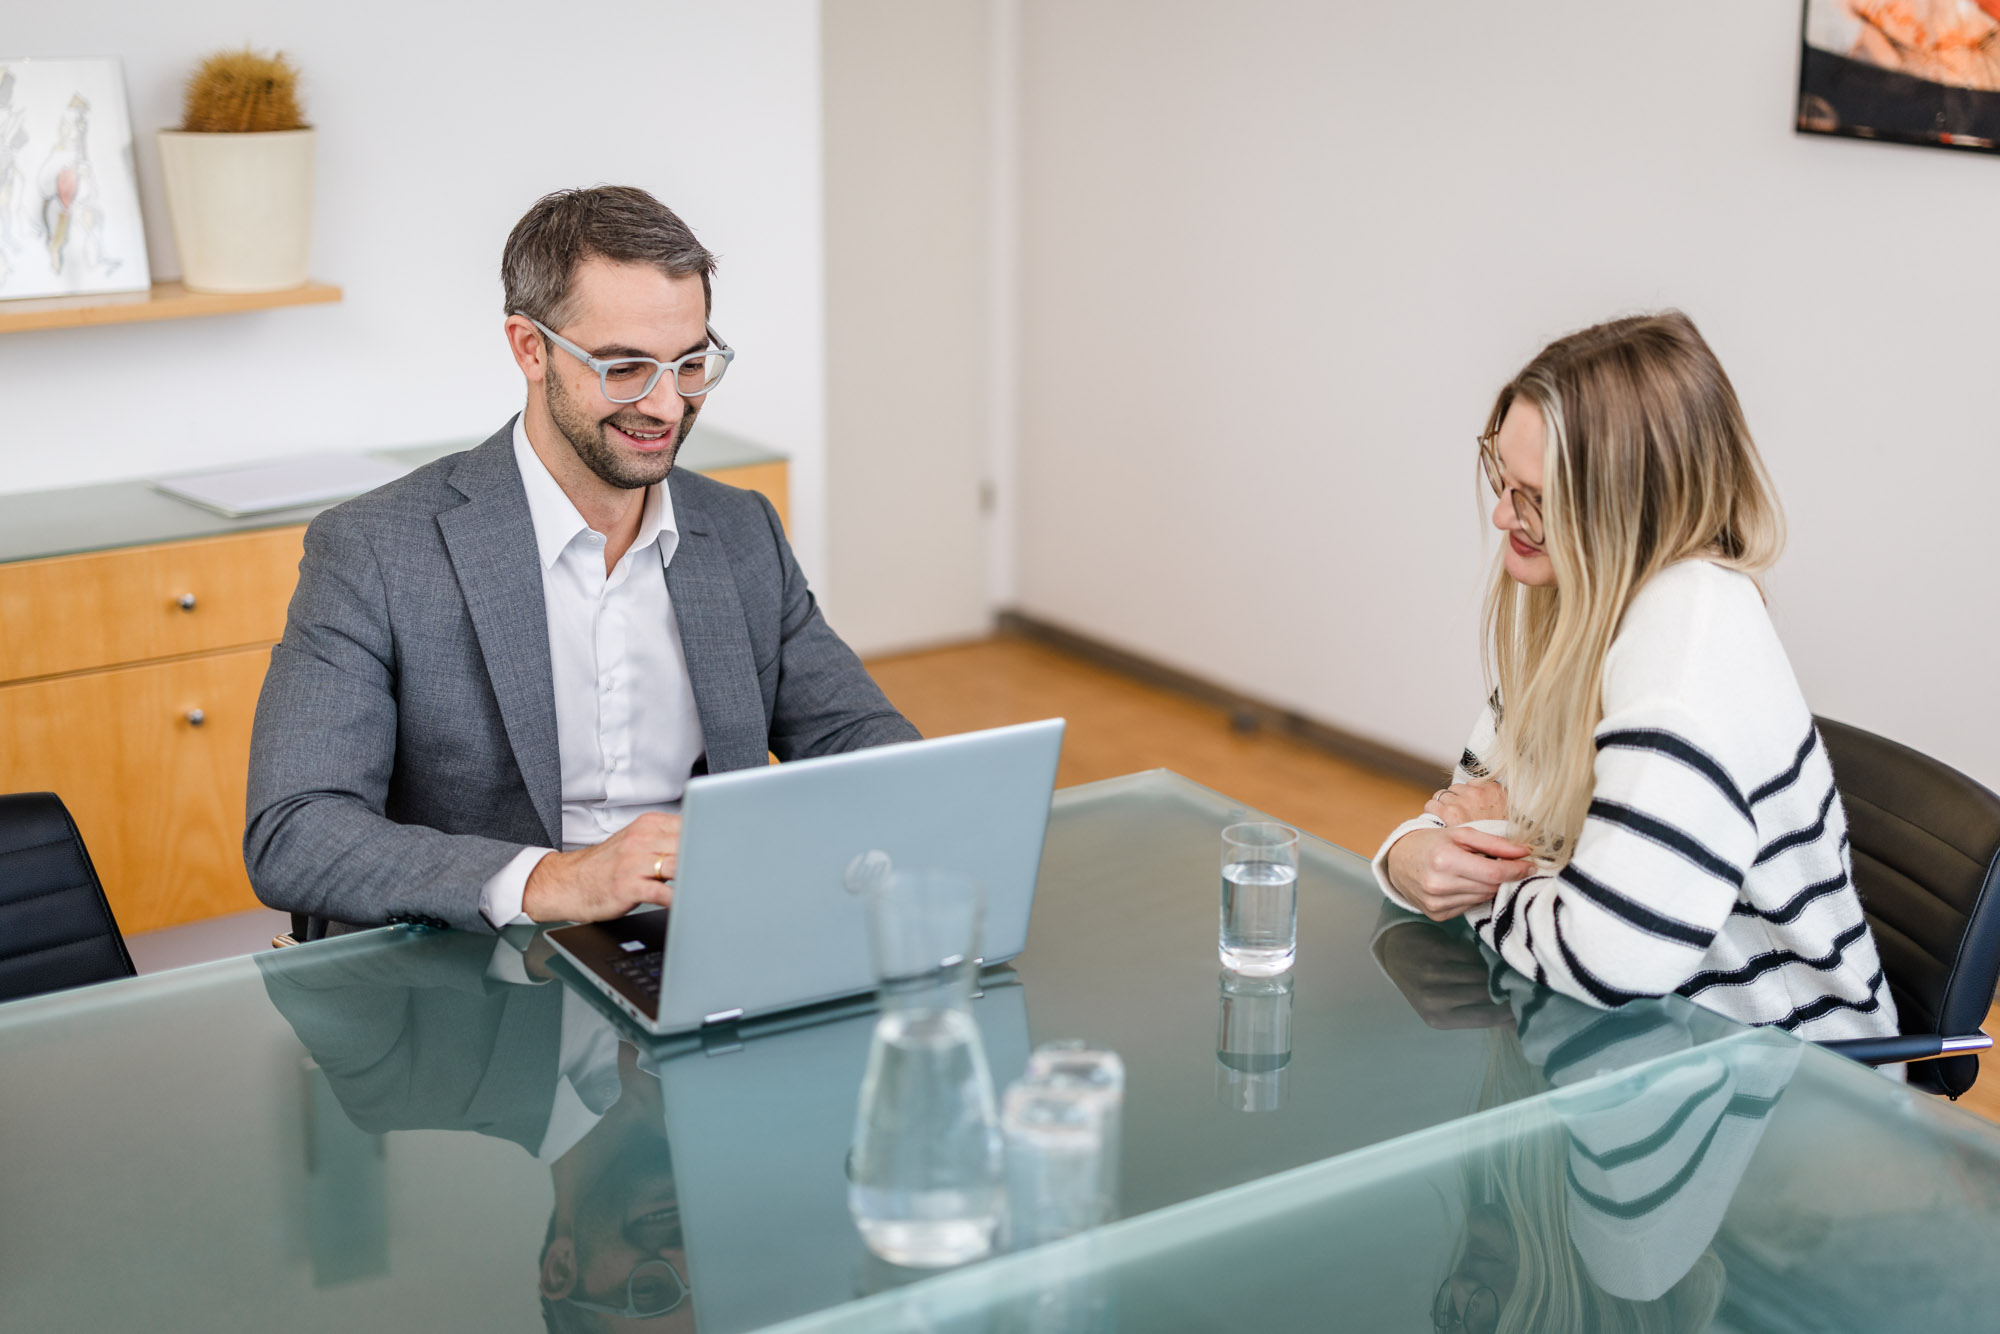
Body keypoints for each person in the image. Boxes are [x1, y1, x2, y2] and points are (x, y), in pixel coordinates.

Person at [246, 185, 919, 936]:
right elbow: (294, 830)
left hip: (703, 941)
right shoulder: (377, 550)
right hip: (486, 968)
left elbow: (857, 741)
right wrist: (553, 881)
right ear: (530, 349)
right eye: (625, 368)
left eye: (689, 363)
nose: (667, 407)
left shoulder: (739, 531)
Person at [1373, 311, 1896, 1041]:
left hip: (1786, 1087)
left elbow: (1607, 958)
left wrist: (1489, 887)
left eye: (1535, 498)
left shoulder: (1689, 652)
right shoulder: (1582, 606)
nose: (1501, 515)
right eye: (1501, 475)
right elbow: (1470, 806)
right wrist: (1409, 854)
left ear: (1628, 505)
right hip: (1651, 1046)